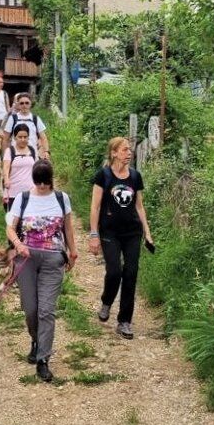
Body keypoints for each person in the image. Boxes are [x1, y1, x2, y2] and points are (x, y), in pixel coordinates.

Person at [6, 159, 78, 382]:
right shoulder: (23, 198)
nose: (43, 186)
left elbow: (68, 228)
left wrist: (73, 252)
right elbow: (10, 228)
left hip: (53, 259)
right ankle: (36, 339)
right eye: (39, 182)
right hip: (26, 259)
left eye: (46, 182)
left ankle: (43, 359)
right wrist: (18, 245)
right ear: (34, 180)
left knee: (46, 310)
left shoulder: (61, 198)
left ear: (51, 180)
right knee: (30, 309)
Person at [88, 136, 154, 339]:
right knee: (114, 271)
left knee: (131, 273)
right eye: (125, 149)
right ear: (114, 153)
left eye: (129, 150)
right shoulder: (103, 176)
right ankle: (107, 301)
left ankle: (124, 321)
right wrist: (94, 234)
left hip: (132, 232)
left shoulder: (135, 176)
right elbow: (95, 207)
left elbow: (139, 206)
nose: (129, 153)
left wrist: (147, 232)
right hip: (110, 232)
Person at [0, 91, 49, 158]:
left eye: (27, 103)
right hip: (15, 156)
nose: (24, 105)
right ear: (18, 105)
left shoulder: (36, 119)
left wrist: (46, 151)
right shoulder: (13, 119)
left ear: (30, 104)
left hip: (32, 156)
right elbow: (5, 139)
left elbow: (43, 137)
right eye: (22, 103)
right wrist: (5, 156)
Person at [0, 120, 36, 211]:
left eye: (25, 137)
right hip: (13, 192)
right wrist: (6, 180)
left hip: (30, 192)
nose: (23, 139)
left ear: (28, 137)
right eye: (20, 137)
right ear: (15, 138)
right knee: (14, 218)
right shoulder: (10, 151)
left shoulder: (32, 151)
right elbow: (6, 167)